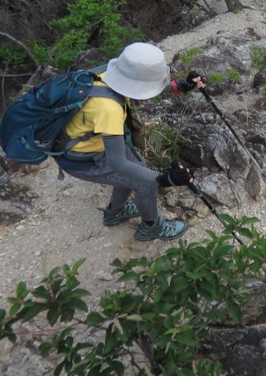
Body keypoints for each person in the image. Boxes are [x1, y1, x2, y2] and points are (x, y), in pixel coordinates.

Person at [56, 42, 205, 241]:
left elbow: (139, 86)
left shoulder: (106, 74)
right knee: (144, 181)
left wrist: (181, 87)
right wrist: (164, 179)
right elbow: (118, 163)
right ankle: (150, 227)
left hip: (89, 147)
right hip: (84, 159)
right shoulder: (109, 110)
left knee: (137, 169)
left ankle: (114, 212)